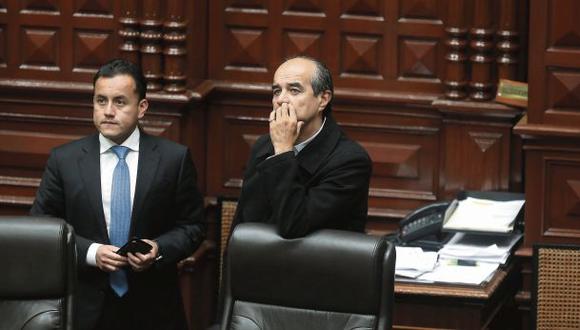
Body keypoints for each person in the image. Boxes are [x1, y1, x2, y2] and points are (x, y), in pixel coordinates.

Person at [30, 58, 205, 330]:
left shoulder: (174, 159)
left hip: (154, 308)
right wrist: (91, 251)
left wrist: (158, 250)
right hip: (85, 308)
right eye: (101, 101)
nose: (108, 111)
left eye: (119, 102)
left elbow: (193, 227)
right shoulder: (64, 160)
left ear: (142, 107)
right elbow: (41, 227)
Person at [232, 56, 372, 238]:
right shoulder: (263, 146)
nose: (281, 100)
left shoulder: (350, 161)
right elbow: (242, 224)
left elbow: (293, 225)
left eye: (294, 90)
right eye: (276, 91)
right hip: (258, 261)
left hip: (315, 263)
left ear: (323, 99)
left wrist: (283, 151)